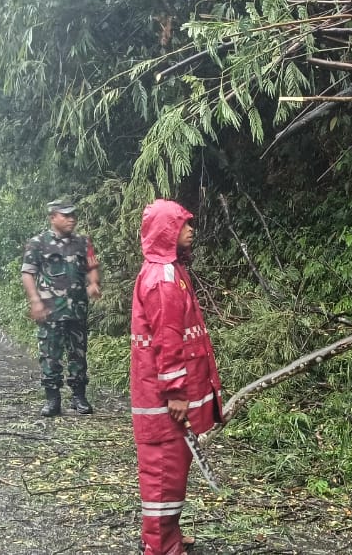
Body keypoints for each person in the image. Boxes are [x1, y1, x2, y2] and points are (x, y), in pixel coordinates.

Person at [130, 199, 223, 555]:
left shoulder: (169, 271)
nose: (191, 230)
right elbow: (168, 341)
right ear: (168, 231)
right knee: (163, 474)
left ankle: (166, 534)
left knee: (171, 471)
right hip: (162, 398)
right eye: (184, 224)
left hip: (164, 394)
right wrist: (175, 393)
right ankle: (161, 546)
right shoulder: (164, 279)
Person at [20, 199, 102, 417]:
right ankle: (52, 399)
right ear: (53, 217)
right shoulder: (38, 243)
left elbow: (92, 266)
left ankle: (79, 397)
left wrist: (93, 283)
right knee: (50, 354)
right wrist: (35, 301)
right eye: (65, 215)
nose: (71, 219)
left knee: (78, 353)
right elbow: (28, 273)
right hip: (50, 309)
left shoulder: (83, 242)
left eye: (73, 215)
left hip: (77, 308)